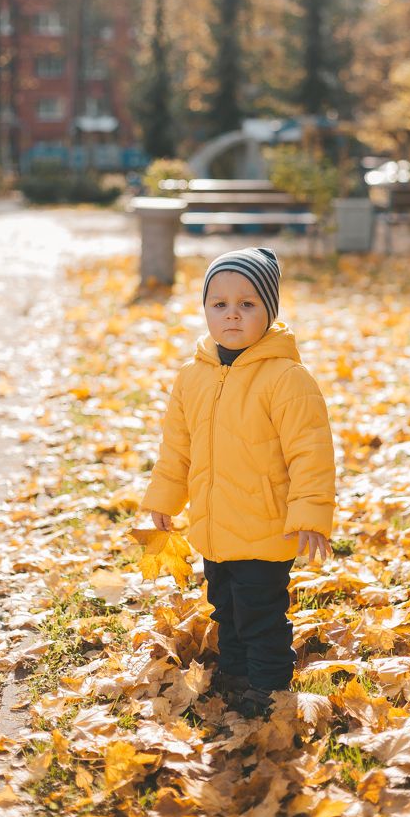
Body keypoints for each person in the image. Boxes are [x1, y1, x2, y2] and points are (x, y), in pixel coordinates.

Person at [139, 246, 336, 717]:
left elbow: (311, 451)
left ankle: (268, 687)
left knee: (261, 612)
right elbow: (177, 448)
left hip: (266, 526)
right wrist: (166, 496)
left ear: (269, 312)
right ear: (205, 310)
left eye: (247, 304)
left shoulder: (286, 378)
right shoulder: (192, 377)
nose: (232, 315)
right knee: (224, 605)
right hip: (213, 526)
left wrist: (310, 514)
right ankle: (236, 671)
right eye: (219, 304)